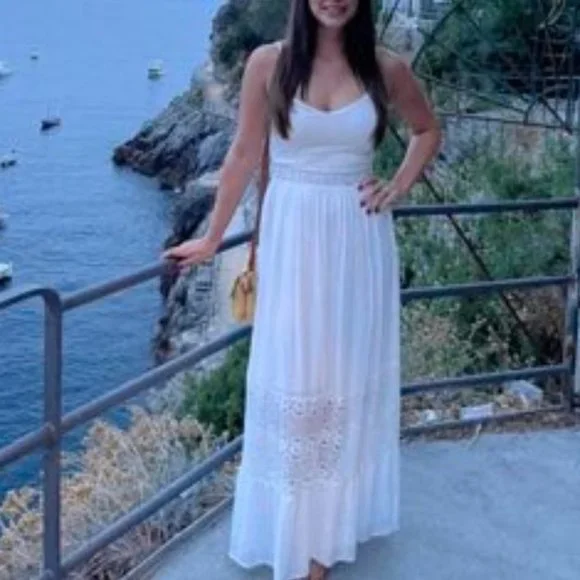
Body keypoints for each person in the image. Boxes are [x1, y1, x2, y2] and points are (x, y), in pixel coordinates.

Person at [164, 1, 440, 578]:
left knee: (343, 377)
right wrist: (213, 237)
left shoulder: (386, 67)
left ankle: (322, 537)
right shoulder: (268, 63)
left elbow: (426, 130)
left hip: (357, 241)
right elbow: (245, 152)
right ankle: (293, 525)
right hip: (292, 240)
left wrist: (396, 187)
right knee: (294, 375)